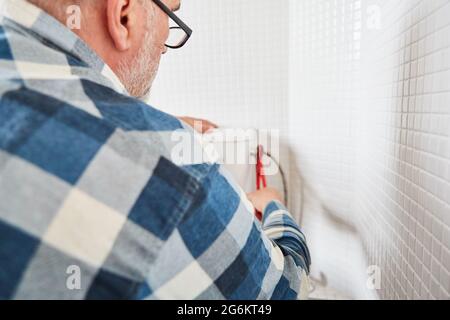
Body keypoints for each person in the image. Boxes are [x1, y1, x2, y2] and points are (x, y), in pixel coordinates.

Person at [0, 0, 310, 299]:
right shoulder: (173, 174)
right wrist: (273, 206)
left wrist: (135, 128)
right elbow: (284, 290)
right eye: (170, 15)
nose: (164, 43)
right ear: (123, 15)